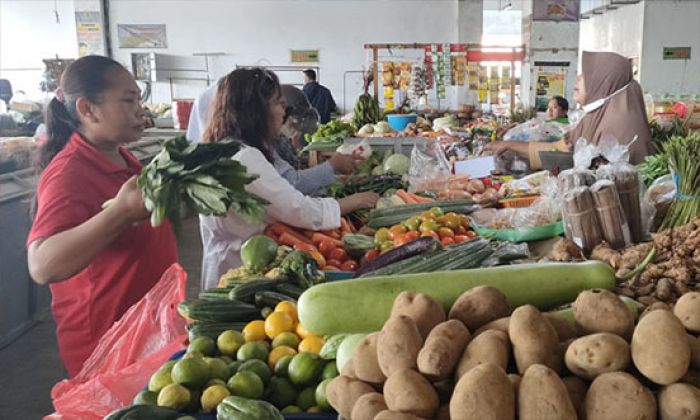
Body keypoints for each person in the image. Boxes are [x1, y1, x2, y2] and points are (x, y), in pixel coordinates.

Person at [26, 56, 177, 377]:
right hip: (106, 346)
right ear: (87, 109)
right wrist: (119, 214)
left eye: (139, 99)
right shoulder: (70, 173)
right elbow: (42, 265)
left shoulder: (122, 157)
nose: (140, 109)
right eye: (128, 100)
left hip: (143, 334)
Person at [198, 68, 377, 289]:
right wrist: (356, 201)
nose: (284, 113)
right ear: (257, 110)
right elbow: (297, 209)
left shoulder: (222, 148)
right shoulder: (245, 158)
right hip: (243, 269)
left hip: (234, 261)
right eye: (279, 104)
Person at [486, 51, 653, 170]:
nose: (578, 78)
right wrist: (509, 145)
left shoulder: (619, 125)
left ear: (604, 83)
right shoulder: (595, 117)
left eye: (587, 75)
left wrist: (511, 146)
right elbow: (559, 148)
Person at [188, 80, 357, 195]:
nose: (281, 112)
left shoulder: (262, 144)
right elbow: (292, 185)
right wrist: (333, 166)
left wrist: (336, 179)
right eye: (279, 105)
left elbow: (289, 179)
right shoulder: (248, 152)